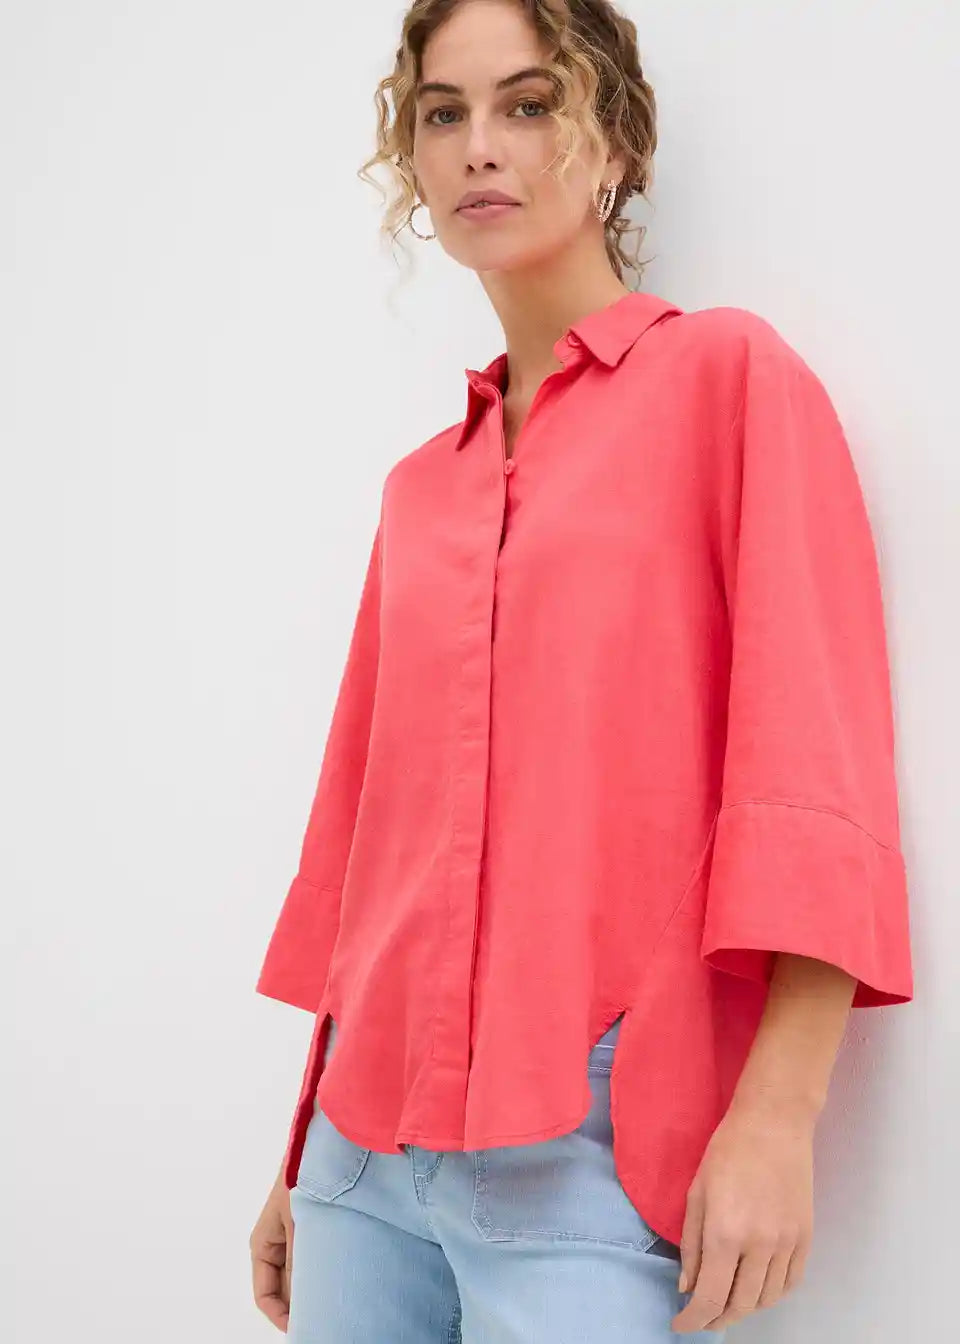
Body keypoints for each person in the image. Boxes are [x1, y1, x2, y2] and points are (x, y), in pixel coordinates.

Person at [248, 1, 914, 1339]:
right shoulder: (420, 490)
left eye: (530, 102)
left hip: (585, 1149)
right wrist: (300, 1144)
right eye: (443, 113)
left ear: (615, 143)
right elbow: (365, 848)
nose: (480, 145)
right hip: (357, 1165)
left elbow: (810, 774)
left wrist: (779, 1116)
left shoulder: (728, 380)